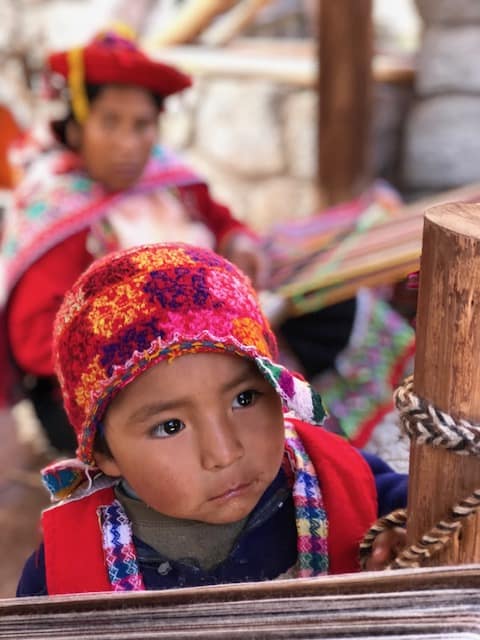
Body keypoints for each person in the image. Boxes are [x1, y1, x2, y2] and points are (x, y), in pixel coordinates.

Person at [16, 243, 407, 596]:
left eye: (244, 398)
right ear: (103, 453)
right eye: (170, 426)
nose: (224, 453)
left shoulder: (343, 481)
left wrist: (405, 539)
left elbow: (435, 516)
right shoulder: (65, 574)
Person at [0, 27, 265, 452]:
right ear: (76, 127)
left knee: (335, 316)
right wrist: (154, 331)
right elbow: (33, 344)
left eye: (142, 125)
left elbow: (223, 221)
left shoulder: (168, 177)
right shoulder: (55, 209)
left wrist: (239, 243)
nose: (128, 144)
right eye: (109, 122)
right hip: (103, 397)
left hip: (203, 361)